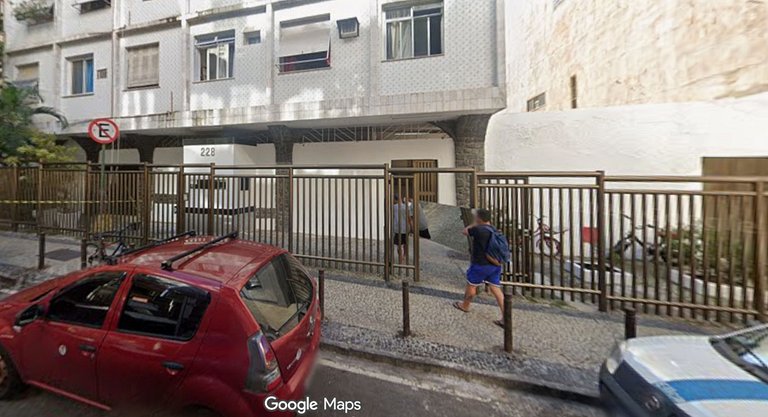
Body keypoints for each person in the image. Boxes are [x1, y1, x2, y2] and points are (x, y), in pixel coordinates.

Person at [453, 208, 505, 327]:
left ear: (479, 218)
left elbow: (465, 231)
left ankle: (465, 306)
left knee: (471, 286)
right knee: (496, 290)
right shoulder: (494, 230)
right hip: (494, 265)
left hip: (480, 264)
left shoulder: (478, 230)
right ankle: (506, 315)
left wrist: (474, 223)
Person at [392, 195, 411, 264]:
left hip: (397, 228)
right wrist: (411, 227)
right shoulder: (406, 207)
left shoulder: (393, 207)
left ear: (395, 199)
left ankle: (400, 257)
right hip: (405, 228)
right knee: (405, 242)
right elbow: (409, 218)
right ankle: (404, 255)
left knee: (399, 244)